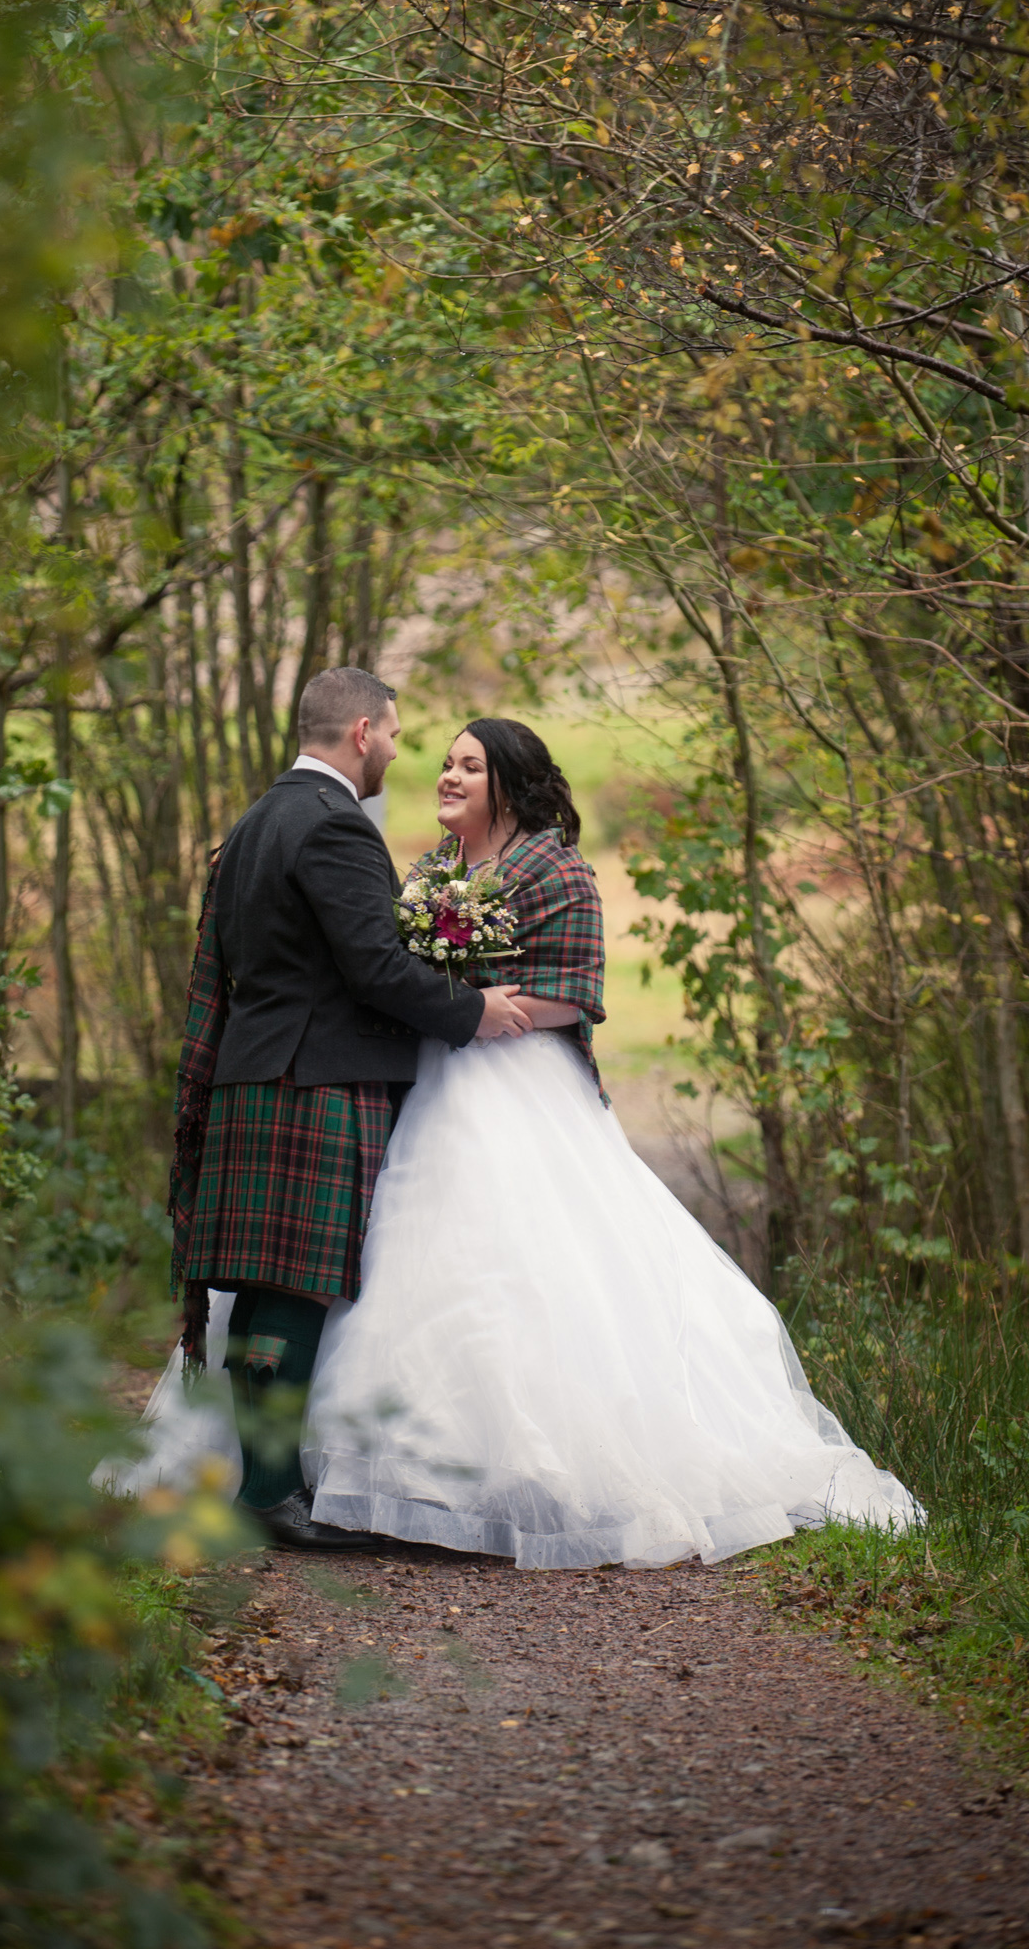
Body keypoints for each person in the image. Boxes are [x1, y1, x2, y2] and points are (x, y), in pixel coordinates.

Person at [302, 716, 922, 1567]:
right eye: (443, 764)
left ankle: (525, 1479)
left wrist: (496, 1011)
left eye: (468, 767)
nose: (446, 777)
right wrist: (451, 1004)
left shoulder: (556, 866)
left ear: (509, 786)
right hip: (427, 1076)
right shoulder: (430, 871)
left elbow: (577, 989)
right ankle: (393, 1475)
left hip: (516, 1083)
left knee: (519, 1270)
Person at [161, 668, 535, 1551]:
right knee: (296, 1289)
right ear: (361, 731)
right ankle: (268, 1493)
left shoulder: (255, 820)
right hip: (317, 1080)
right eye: (399, 738)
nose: (401, 756)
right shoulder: (334, 824)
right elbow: (373, 965)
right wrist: (471, 1011)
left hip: (256, 1074)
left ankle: (263, 1483)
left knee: (263, 1292)